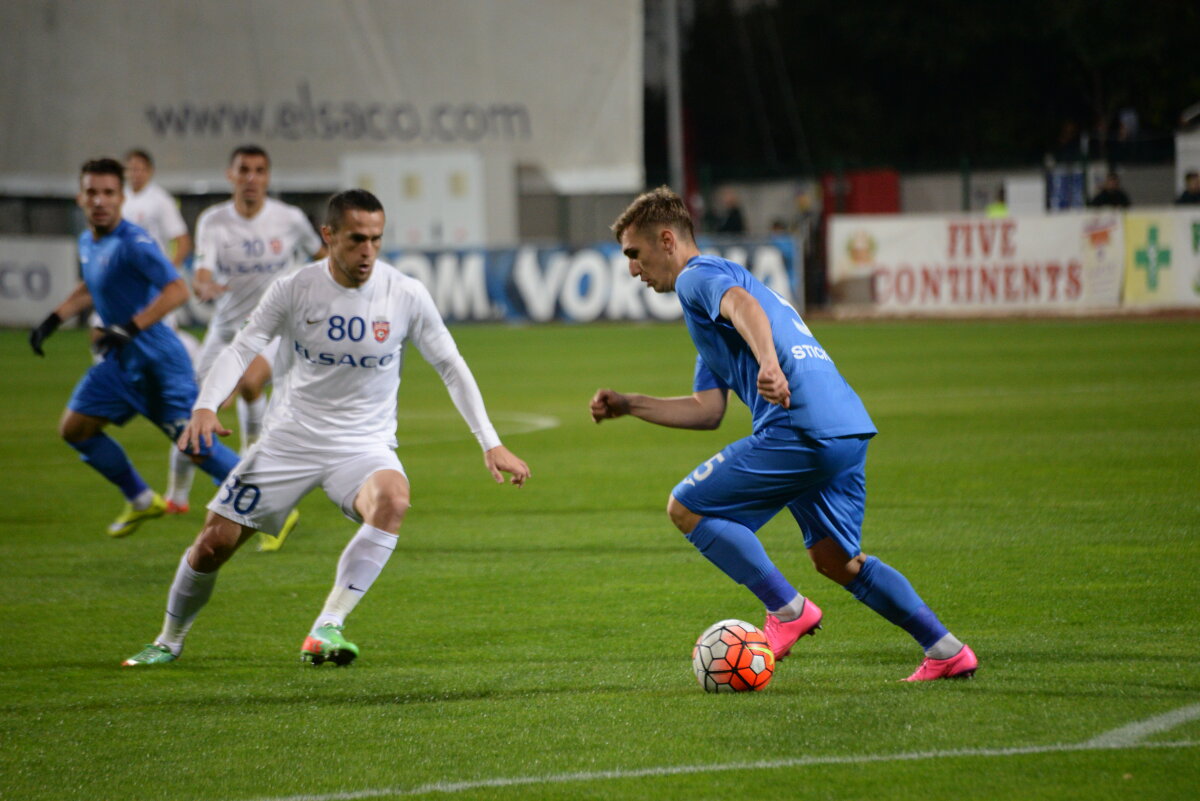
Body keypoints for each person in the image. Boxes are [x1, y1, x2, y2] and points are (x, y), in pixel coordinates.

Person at [122, 189, 531, 668]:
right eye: (357, 239)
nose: (368, 251)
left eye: (377, 239)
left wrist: (491, 442)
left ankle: (327, 625)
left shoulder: (404, 293)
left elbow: (451, 365)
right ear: (328, 236)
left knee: (393, 499)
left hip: (363, 444)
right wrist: (206, 405)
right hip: (288, 441)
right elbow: (241, 347)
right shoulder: (295, 288)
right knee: (213, 545)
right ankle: (168, 639)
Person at [590, 186, 976, 682]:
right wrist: (629, 404)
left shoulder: (697, 277)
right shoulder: (715, 302)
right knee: (838, 561)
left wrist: (770, 367)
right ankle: (945, 649)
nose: (632, 269)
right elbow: (708, 410)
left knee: (686, 507)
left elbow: (743, 307)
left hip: (799, 424)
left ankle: (787, 611)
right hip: (845, 429)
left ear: (667, 240)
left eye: (634, 254)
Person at [27, 158, 241, 538]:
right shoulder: (88, 240)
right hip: (121, 360)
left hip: (158, 361)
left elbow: (177, 289)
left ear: (122, 198)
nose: (100, 201)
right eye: (92, 192)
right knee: (75, 429)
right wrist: (54, 319)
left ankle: (264, 501)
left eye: (108, 193)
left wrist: (131, 327)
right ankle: (141, 499)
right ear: (80, 197)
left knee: (194, 445)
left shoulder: (135, 242)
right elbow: (92, 285)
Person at [164, 144, 325, 554]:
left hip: (273, 330)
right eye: (244, 170)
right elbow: (202, 271)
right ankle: (176, 498)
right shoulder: (214, 220)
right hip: (225, 330)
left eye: (259, 170)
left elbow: (322, 255)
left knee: (252, 383)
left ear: (268, 178)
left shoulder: (288, 219)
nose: (251, 177)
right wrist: (202, 285)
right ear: (231, 175)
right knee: (194, 413)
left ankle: (253, 465)